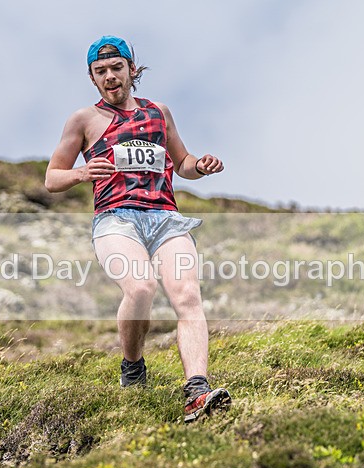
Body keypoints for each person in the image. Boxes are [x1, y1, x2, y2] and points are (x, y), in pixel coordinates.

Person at [45, 35, 231, 422]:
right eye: (101, 72)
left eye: (117, 68)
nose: (110, 77)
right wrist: (81, 172)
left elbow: (182, 163)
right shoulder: (84, 120)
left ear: (132, 69)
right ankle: (133, 367)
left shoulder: (158, 112)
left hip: (166, 218)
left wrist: (202, 165)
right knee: (141, 287)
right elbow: (51, 178)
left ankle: (196, 388)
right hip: (115, 218)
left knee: (188, 296)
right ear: (92, 78)